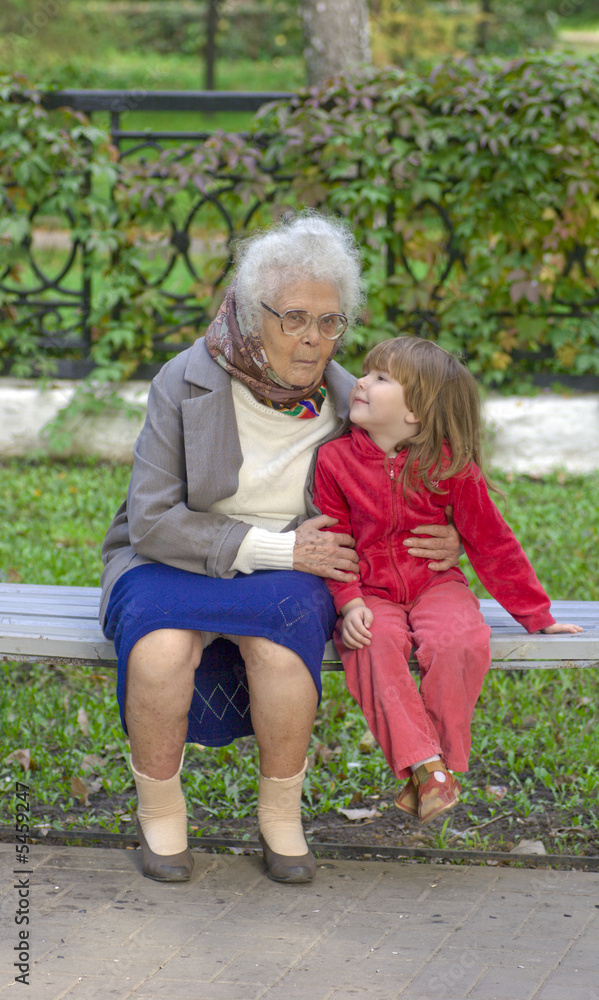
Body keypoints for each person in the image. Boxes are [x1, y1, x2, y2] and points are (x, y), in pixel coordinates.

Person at [99, 214, 460, 885]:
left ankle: (280, 819)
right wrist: (277, 550)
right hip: (173, 558)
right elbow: (152, 522)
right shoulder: (185, 381)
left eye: (330, 322)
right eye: (294, 317)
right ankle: (160, 816)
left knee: (279, 651)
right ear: (248, 311)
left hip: (295, 567)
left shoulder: (353, 399)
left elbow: (428, 485)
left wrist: (446, 533)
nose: (313, 339)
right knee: (160, 650)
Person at [313, 337, 583, 825]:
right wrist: (350, 604)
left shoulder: (449, 466)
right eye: (367, 372)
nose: (362, 382)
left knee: (459, 640)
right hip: (372, 592)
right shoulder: (335, 462)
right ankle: (429, 768)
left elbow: (492, 542)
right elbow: (335, 542)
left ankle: (434, 768)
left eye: (380, 378)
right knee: (372, 642)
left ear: (415, 412)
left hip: (437, 585)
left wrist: (537, 616)